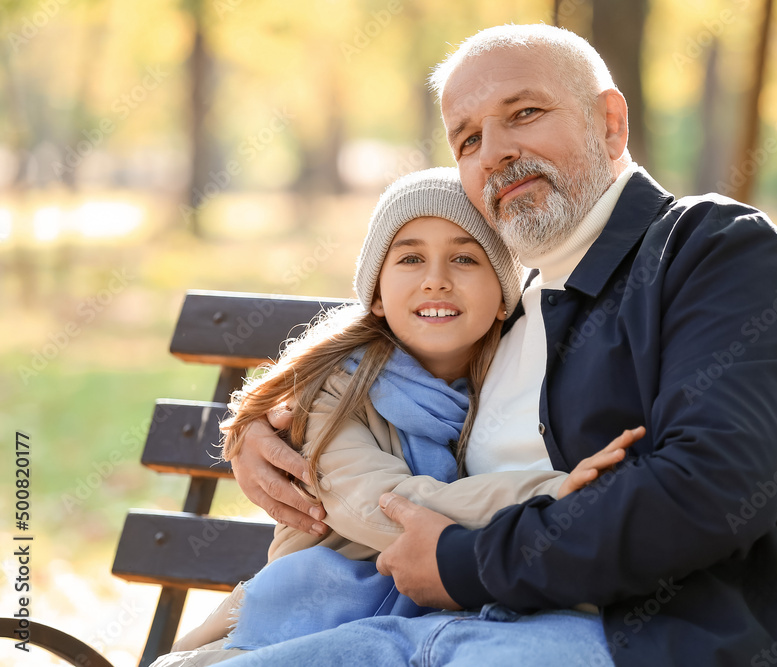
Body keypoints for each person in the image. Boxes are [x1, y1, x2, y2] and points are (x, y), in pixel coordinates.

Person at [224, 24, 777, 667]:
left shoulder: (711, 250)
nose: (495, 152)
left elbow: (710, 490)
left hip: (667, 641)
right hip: (449, 630)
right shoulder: (507, 309)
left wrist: (463, 560)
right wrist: (263, 424)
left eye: (525, 113)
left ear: (611, 123)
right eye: (469, 138)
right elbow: (378, 383)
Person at [153, 167, 641, 666]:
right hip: (316, 617)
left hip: (454, 626)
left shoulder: (512, 381)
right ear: (378, 295)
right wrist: (551, 495)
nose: (436, 279)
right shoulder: (330, 394)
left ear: (502, 297)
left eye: (465, 258)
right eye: (410, 257)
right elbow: (385, 507)